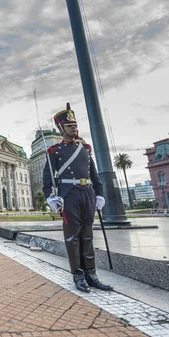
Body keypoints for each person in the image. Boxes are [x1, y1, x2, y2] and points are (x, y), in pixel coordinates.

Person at [42, 103, 113, 293]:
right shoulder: (54, 151)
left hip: (87, 193)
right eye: (70, 126)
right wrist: (49, 197)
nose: (75, 128)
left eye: (75, 125)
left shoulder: (85, 149)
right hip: (69, 194)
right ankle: (78, 274)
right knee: (72, 236)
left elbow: (94, 175)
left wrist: (99, 193)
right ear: (61, 128)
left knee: (88, 235)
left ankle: (92, 274)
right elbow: (47, 178)